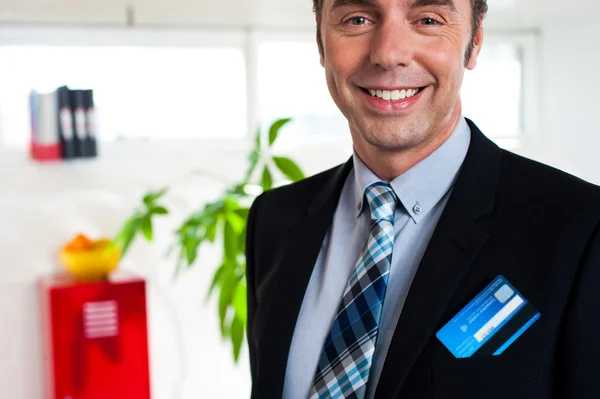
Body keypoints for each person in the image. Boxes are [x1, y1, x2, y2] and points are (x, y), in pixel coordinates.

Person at [245, 0, 600, 397]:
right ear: (320, 39)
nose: (388, 54)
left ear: (475, 40)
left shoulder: (582, 229)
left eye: (428, 19)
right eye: (357, 19)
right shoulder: (273, 219)